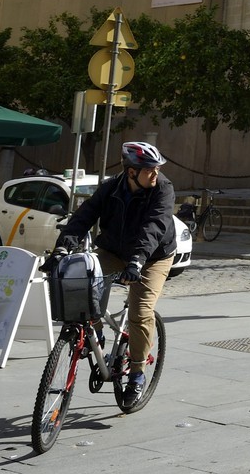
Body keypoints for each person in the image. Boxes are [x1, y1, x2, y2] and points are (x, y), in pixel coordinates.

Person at [55, 140, 177, 405]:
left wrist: (136, 261)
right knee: (81, 280)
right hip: (113, 250)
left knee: (140, 311)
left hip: (153, 256)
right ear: (131, 172)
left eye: (157, 169)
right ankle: (95, 333)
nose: (155, 174)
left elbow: (154, 227)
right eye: (149, 170)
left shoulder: (163, 189)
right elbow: (84, 215)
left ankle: (136, 374)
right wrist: (62, 248)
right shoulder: (111, 188)